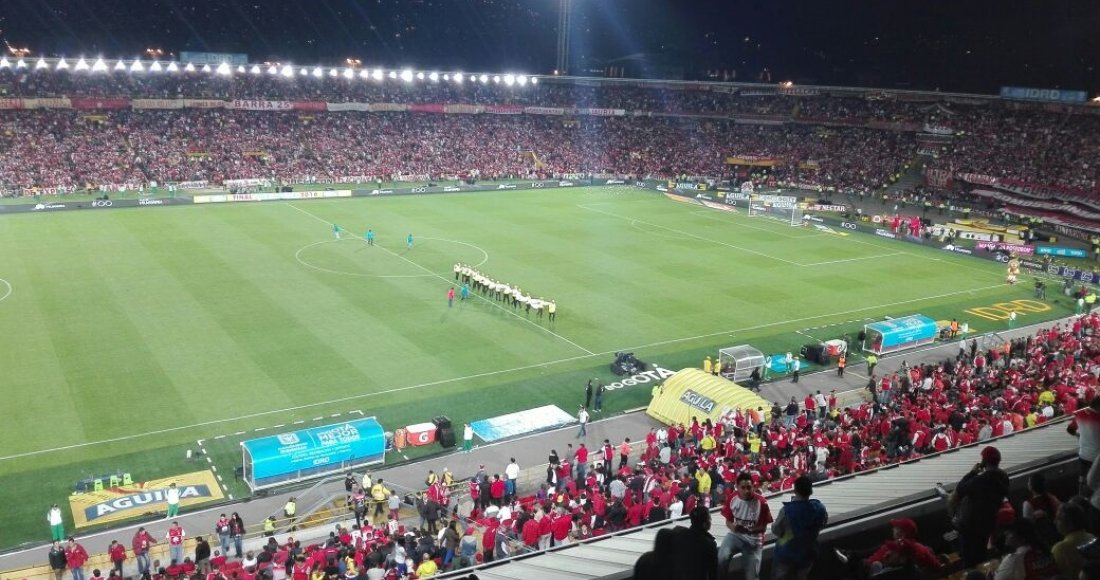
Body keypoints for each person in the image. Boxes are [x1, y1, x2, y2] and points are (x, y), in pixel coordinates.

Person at [952, 446, 1010, 566]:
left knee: (969, 560)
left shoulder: (982, 480)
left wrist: (972, 472)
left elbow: (961, 489)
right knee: (981, 556)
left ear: (984, 461)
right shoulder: (1003, 477)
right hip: (987, 524)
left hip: (970, 527)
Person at [771, 475, 828, 580]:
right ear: (811, 491)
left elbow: (776, 530)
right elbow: (823, 524)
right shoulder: (820, 508)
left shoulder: (787, 511)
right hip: (808, 554)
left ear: (795, 490)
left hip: (785, 555)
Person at [719, 472, 772, 580]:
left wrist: (750, 530)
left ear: (753, 487)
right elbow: (728, 522)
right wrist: (734, 528)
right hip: (736, 535)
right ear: (737, 487)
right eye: (743, 487)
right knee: (721, 558)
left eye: (749, 487)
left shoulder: (761, 502)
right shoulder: (732, 498)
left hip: (754, 540)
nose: (746, 490)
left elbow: (763, 528)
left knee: (752, 577)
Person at [993, 519, 1058, 579]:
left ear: (1022, 539)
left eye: (1011, 532)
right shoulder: (1044, 551)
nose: (1005, 533)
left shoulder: (1015, 559)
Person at [1052, 503, 1095, 578]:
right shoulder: (1092, 537)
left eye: (1058, 519)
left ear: (1070, 524)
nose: (1054, 522)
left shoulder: (1060, 548)